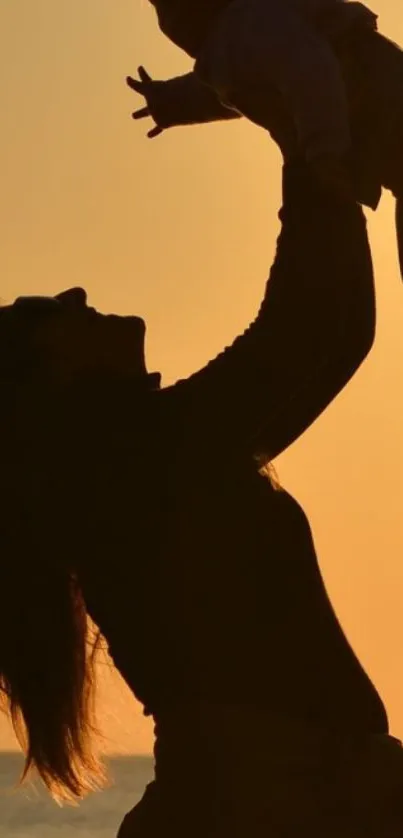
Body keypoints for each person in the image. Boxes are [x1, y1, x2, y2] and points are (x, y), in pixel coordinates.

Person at [1, 160, 402, 835]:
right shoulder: (140, 459)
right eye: (44, 313)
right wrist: (312, 144)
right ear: (50, 381)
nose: (72, 292)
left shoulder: (157, 457)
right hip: (262, 809)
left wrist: (329, 160)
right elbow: (305, 332)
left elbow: (336, 338)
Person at [128, 2, 403, 271]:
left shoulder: (249, 23)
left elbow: (308, 69)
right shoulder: (233, 42)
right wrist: (170, 102)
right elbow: (230, 90)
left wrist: (324, 152)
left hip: (383, 94)